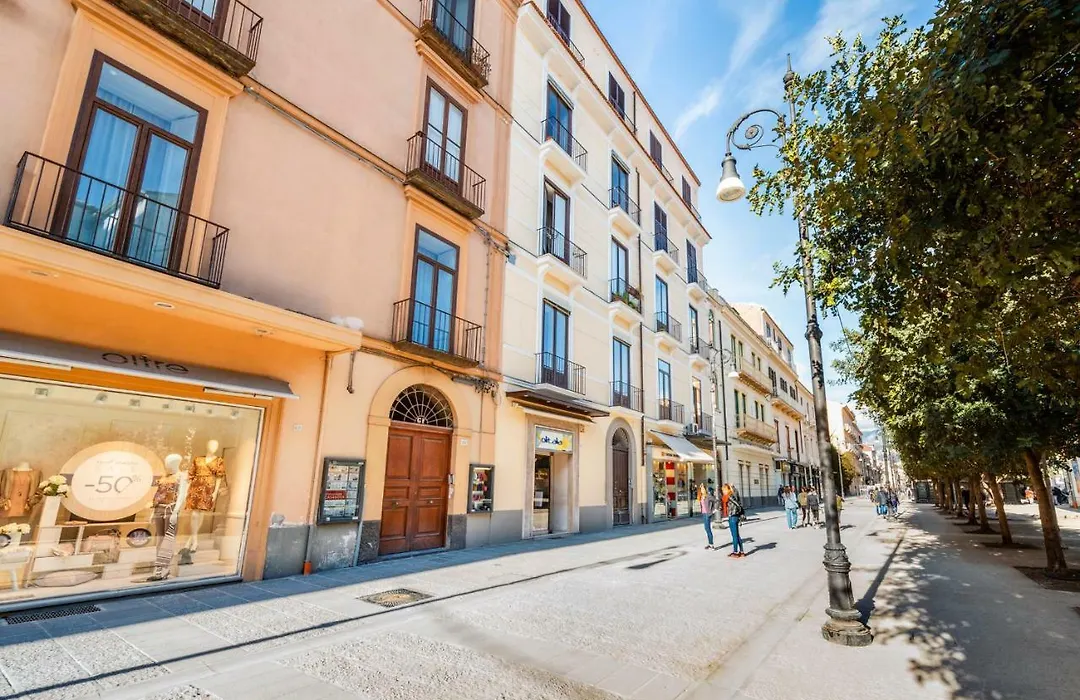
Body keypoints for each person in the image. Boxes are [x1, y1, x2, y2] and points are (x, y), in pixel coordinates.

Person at [721, 484, 745, 557]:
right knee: (736, 535)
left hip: (733, 517)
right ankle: (741, 552)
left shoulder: (729, 496)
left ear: (727, 489)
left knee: (734, 535)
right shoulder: (728, 496)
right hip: (732, 516)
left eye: (724, 490)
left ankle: (735, 552)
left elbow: (737, 504)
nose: (723, 492)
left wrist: (736, 513)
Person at [699, 485, 717, 549]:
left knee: (708, 529)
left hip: (707, 514)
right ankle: (710, 543)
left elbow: (716, 501)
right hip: (704, 514)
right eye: (701, 489)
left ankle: (711, 545)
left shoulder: (708, 496)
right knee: (706, 529)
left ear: (705, 490)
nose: (702, 490)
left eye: (703, 489)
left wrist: (713, 510)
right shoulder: (702, 496)